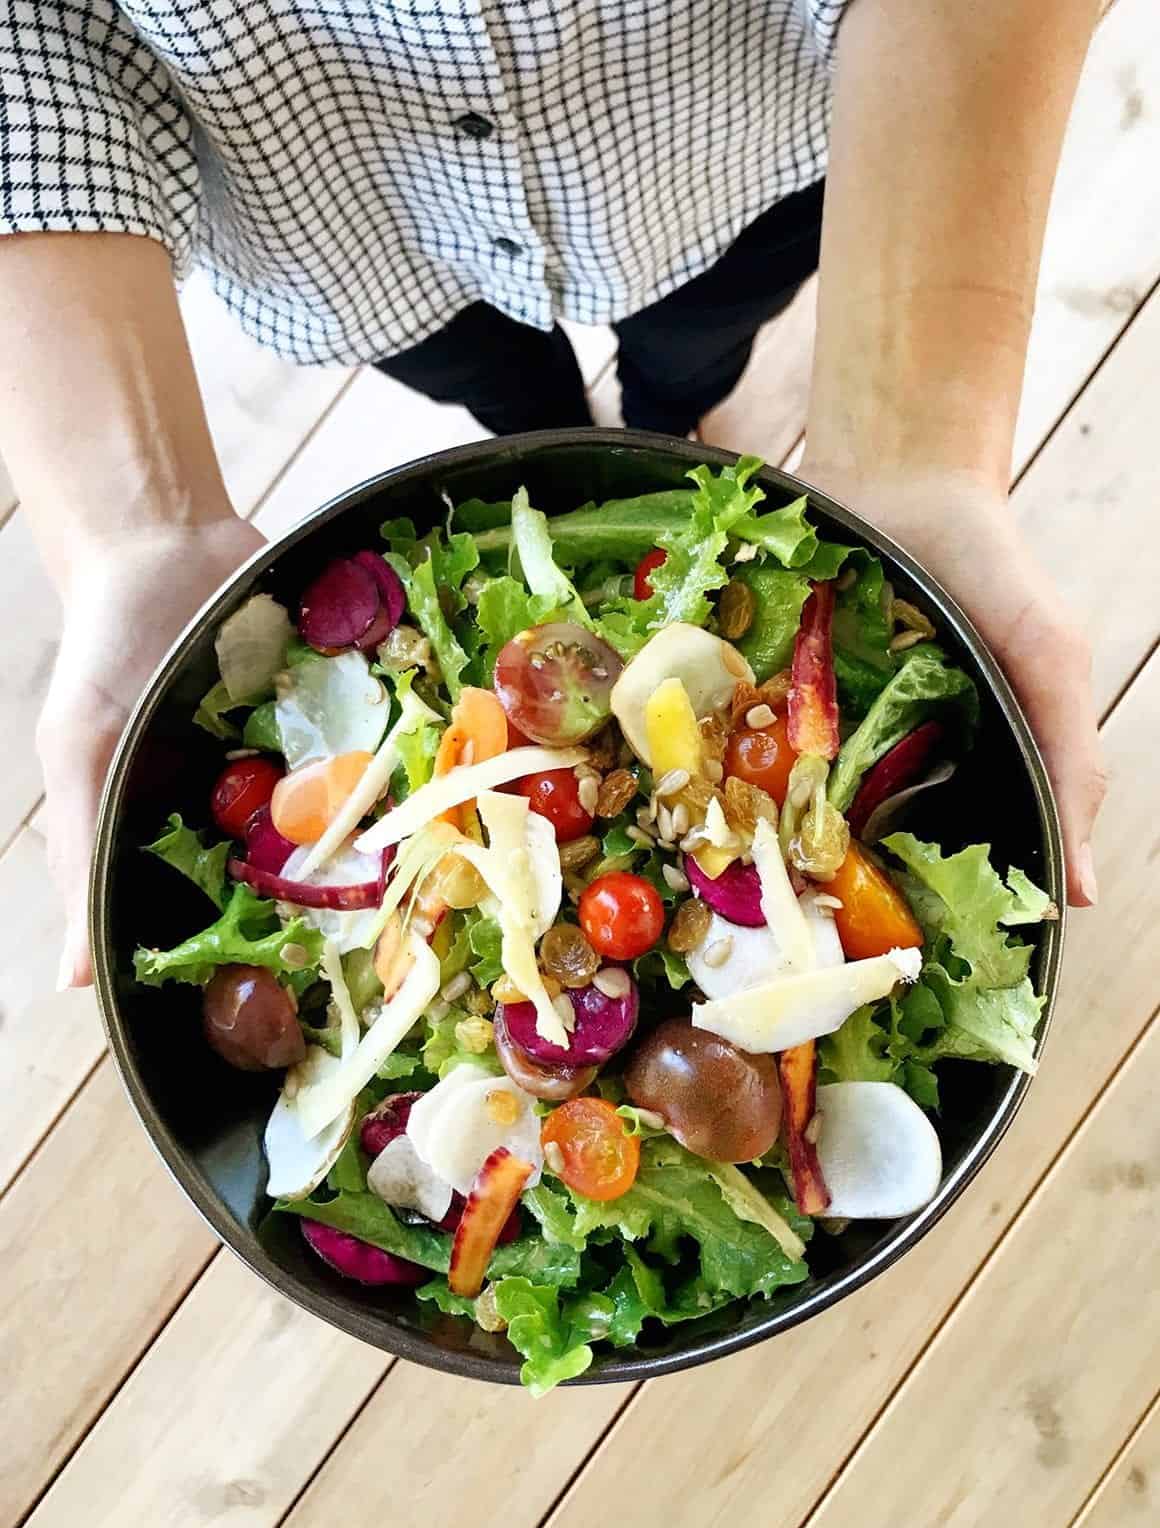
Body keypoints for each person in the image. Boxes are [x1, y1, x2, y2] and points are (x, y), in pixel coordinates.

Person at [0, 0, 1105, 990]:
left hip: (732, 147)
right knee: (489, 380)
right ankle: (551, 427)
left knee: (694, 346)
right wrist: (131, 533)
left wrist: (917, 447)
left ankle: (665, 416)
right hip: (353, 223)